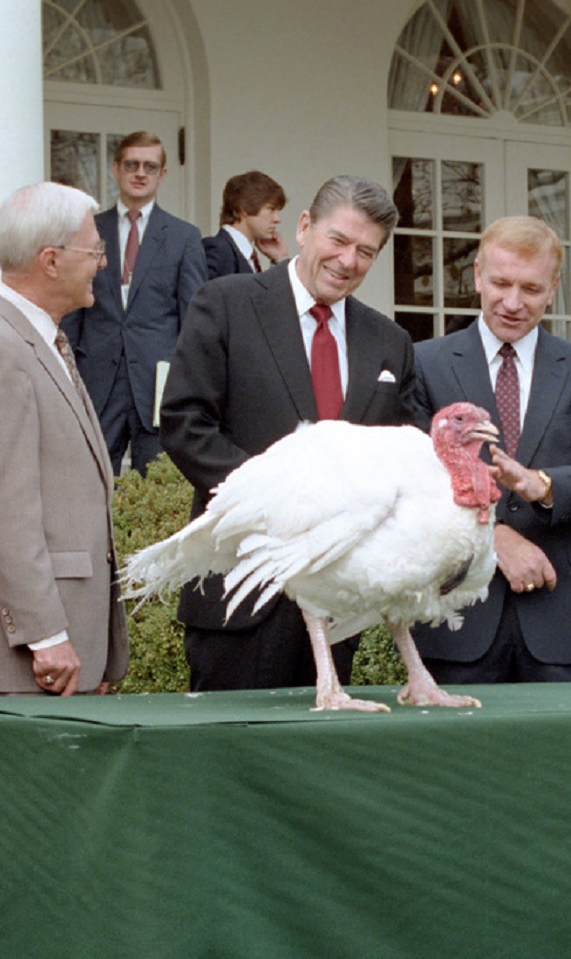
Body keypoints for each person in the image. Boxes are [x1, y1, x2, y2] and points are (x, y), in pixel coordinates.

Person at [158, 175, 415, 692]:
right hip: (240, 593)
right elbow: (186, 423)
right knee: (229, 764)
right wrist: (279, 506)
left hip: (337, 604)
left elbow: (397, 458)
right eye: (338, 241)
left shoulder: (390, 342)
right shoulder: (225, 304)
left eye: (366, 252)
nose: (348, 262)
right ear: (303, 227)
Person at [407, 216, 571, 683]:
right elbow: (413, 478)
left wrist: (540, 484)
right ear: (476, 277)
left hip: (562, 614)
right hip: (457, 611)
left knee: (562, 757)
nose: (512, 303)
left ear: (552, 288)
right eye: (500, 283)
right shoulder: (426, 363)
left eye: (530, 289)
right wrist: (496, 538)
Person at [0, 181, 128, 697]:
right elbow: (3, 513)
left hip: (72, 651)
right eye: (95, 250)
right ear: (50, 260)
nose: (102, 263)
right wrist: (45, 635)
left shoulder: (42, 341)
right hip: (36, 662)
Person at [60, 130, 208, 475]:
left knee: (155, 486)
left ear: (163, 174)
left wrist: (187, 386)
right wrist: (69, 368)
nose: (140, 173)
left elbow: (192, 320)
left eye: (150, 167)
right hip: (97, 378)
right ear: (116, 169)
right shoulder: (87, 230)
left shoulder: (183, 237)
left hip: (157, 384)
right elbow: (70, 306)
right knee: (89, 478)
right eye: (132, 165)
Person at [203, 170, 289, 278]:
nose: (277, 219)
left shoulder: (243, 254)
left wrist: (280, 259)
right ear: (244, 209)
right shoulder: (218, 250)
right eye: (271, 209)